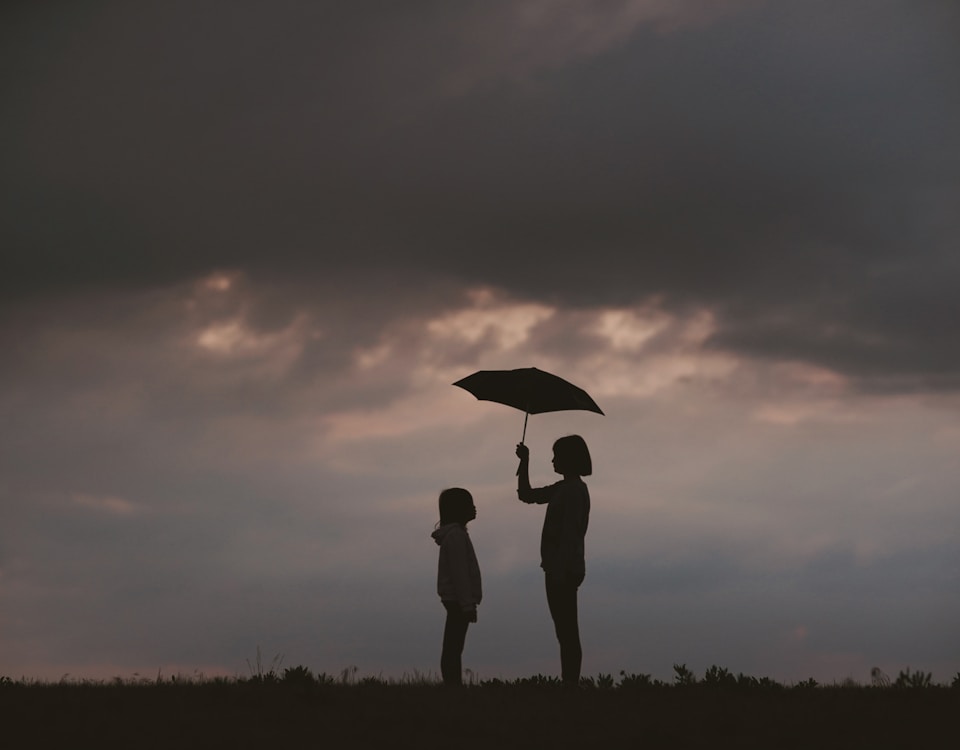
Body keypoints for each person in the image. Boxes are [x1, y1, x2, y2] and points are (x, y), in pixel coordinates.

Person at [515, 435, 591, 687]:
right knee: (564, 629)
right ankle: (569, 682)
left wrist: (559, 570)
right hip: (559, 569)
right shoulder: (563, 488)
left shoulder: (574, 491)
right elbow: (526, 495)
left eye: (557, 455)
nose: (553, 460)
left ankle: (570, 683)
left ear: (569, 459)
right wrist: (524, 462)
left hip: (564, 570)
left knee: (567, 630)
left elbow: (570, 534)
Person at [431, 487, 482, 687]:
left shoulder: (456, 535)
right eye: (469, 504)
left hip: (456, 600)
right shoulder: (456, 537)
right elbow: (460, 573)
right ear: (459, 509)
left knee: (453, 645)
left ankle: (453, 684)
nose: (474, 507)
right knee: (453, 647)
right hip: (458, 601)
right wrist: (467, 605)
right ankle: (453, 685)